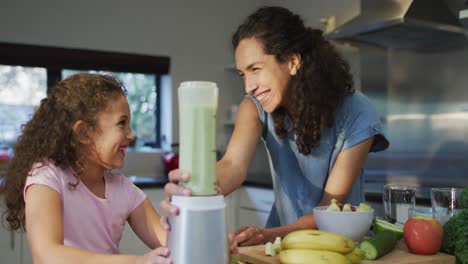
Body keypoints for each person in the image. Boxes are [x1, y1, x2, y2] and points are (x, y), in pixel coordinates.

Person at [161, 6, 389, 251]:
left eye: (255, 69)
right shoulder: (254, 108)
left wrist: (268, 235)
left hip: (341, 247)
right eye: (242, 74)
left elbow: (330, 209)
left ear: (292, 62)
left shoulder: (357, 112)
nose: (248, 86)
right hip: (280, 246)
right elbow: (232, 167)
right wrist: (194, 187)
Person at [0, 73, 171, 264]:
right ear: (83, 133)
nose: (131, 135)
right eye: (122, 123)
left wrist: (186, 209)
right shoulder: (47, 177)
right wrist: (138, 262)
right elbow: (47, 254)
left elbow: (173, 246)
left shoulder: (124, 190)